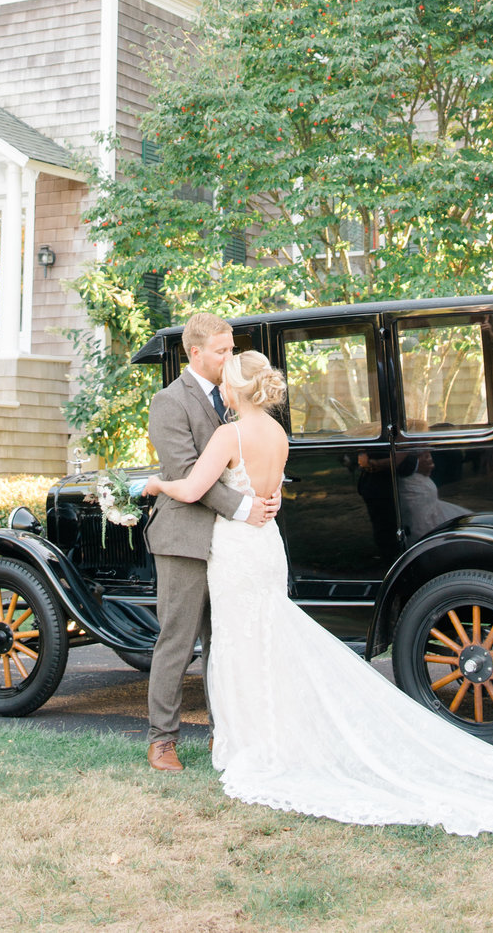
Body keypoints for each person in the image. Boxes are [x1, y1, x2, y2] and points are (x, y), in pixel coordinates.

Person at [142, 349, 493, 835]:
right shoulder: (279, 435)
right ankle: (257, 733)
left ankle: (248, 739)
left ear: (233, 390)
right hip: (266, 545)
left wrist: (153, 485)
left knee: (239, 641)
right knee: (263, 636)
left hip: (238, 547)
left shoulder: (229, 434)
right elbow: (271, 492)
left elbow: (191, 487)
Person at [143, 313, 280, 773]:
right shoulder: (168, 402)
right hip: (184, 538)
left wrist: (269, 494)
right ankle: (162, 741)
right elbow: (184, 474)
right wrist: (245, 508)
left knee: (224, 643)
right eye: (222, 350)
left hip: (232, 546)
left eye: (232, 348)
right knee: (177, 643)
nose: (230, 357)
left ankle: (227, 734)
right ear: (195, 352)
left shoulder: (236, 396)